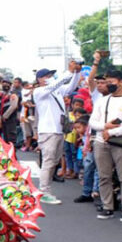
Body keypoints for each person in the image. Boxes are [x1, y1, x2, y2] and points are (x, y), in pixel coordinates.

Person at [32, 53, 97, 205]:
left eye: (51, 75)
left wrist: (76, 73)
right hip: (48, 131)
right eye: (47, 75)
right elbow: (56, 84)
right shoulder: (39, 91)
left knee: (54, 161)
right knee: (48, 161)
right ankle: (44, 191)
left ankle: (45, 189)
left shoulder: (56, 91)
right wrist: (68, 71)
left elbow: (70, 88)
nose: (50, 77)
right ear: (39, 79)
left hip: (58, 130)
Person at [89, 69, 122, 221]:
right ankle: (107, 206)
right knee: (103, 176)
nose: (108, 85)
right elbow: (92, 122)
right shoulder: (102, 100)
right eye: (107, 82)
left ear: (121, 81)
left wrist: (112, 132)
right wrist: (104, 126)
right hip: (101, 142)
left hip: (121, 142)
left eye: (111, 82)